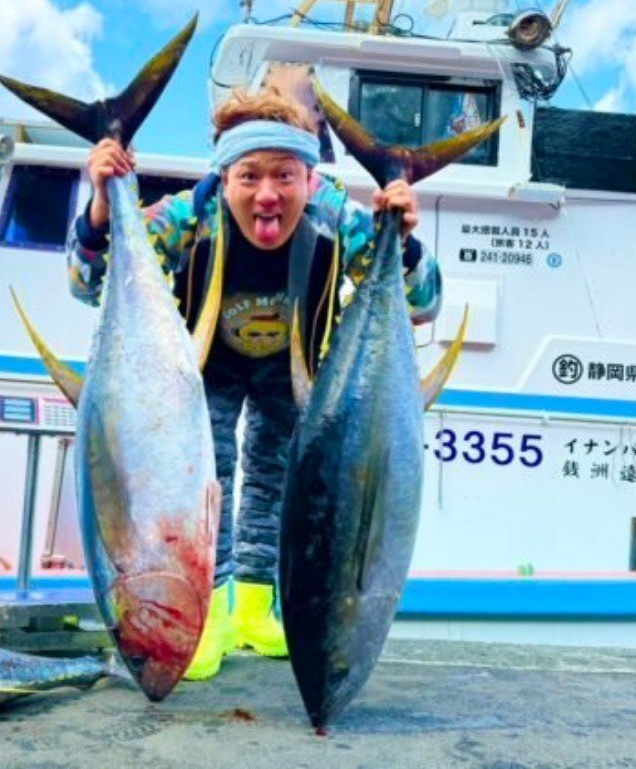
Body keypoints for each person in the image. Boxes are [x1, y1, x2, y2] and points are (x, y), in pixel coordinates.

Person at [67, 85, 442, 679]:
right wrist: (99, 210)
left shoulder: (338, 219)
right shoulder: (187, 215)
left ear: (308, 179)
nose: (267, 194)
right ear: (226, 176)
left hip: (288, 367)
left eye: (285, 176)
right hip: (200, 368)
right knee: (203, 482)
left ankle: (254, 609)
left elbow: (425, 304)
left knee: (276, 476)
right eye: (249, 177)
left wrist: (404, 235)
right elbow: (87, 286)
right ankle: (208, 613)